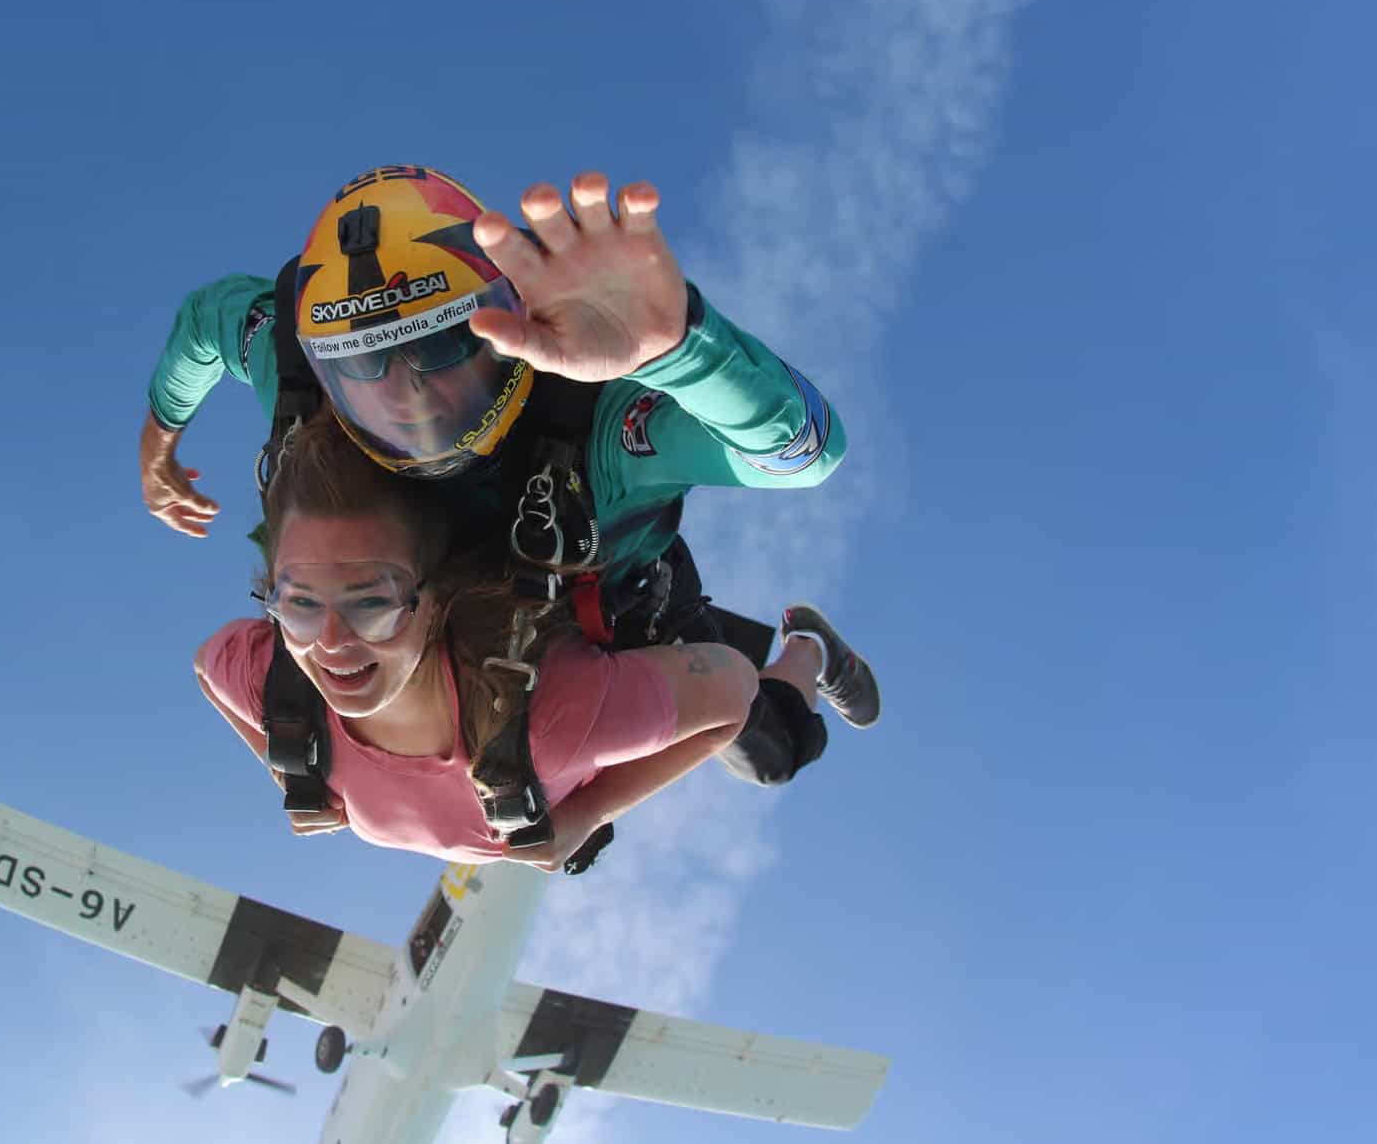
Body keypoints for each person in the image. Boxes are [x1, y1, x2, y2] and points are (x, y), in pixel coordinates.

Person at [147, 165, 877, 789]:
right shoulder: (298, 377)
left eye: (446, 346)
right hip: (449, 628)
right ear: (321, 362)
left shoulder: (598, 430)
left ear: (510, 324)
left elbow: (804, 453)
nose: (410, 397)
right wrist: (160, 443)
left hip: (606, 606)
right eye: (365, 366)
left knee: (767, 750)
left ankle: (808, 648)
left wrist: (679, 349)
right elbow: (209, 322)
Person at [194, 411, 850, 872]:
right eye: (300, 603)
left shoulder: (551, 723)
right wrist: (292, 766)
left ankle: (807, 646)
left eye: (372, 602)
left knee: (771, 754)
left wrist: (592, 811)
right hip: (564, 642)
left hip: (643, 614)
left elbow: (734, 688)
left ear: (435, 601)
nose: (330, 644)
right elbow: (208, 667)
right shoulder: (279, 688)